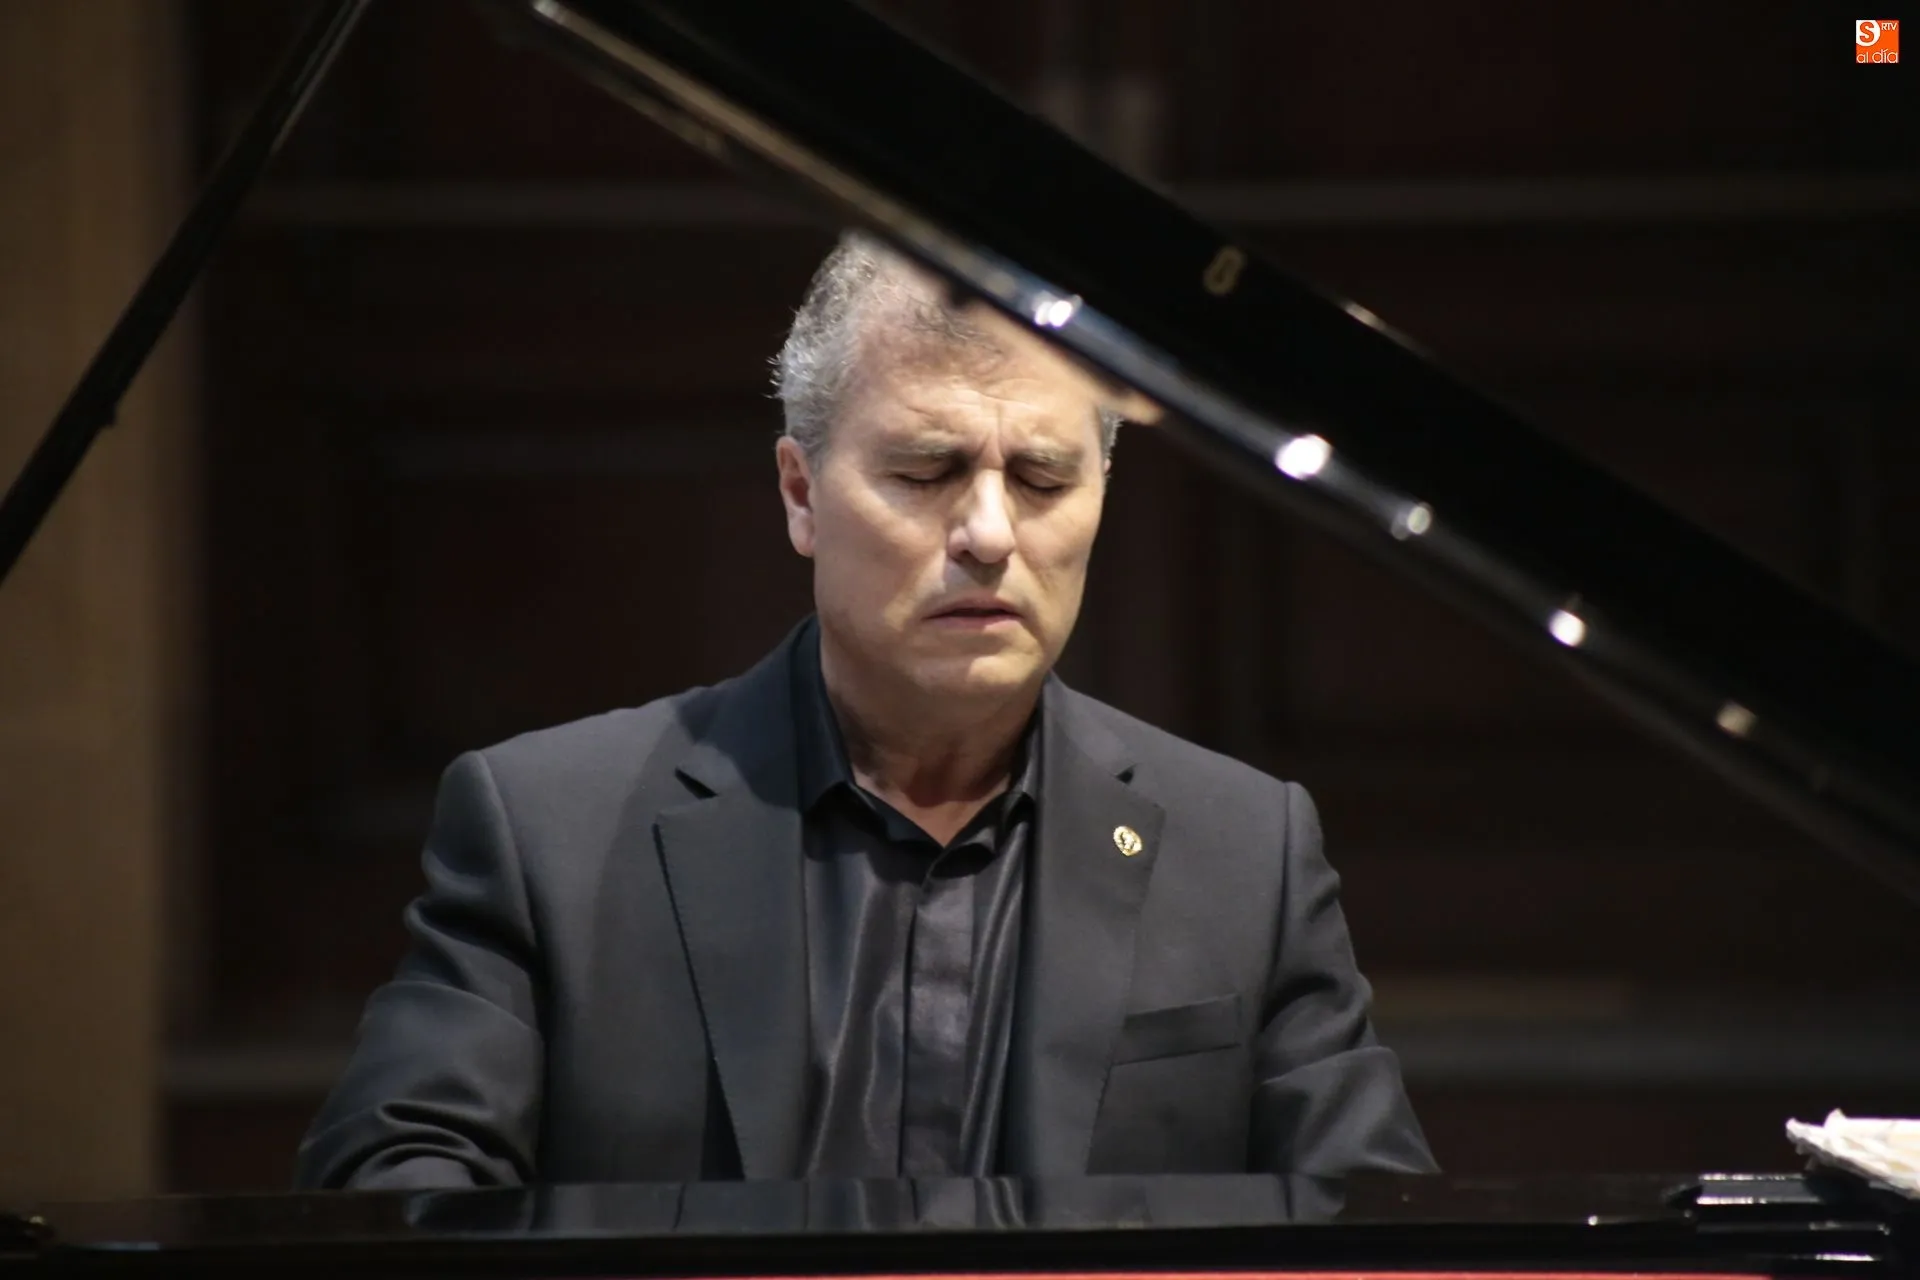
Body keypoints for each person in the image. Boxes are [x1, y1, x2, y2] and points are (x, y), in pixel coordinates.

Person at [295, 233, 1435, 1189]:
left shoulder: (1247, 849)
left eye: (1041, 478)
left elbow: (1384, 1232)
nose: (990, 532)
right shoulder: (546, 828)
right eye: (928, 470)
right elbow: (395, 1190)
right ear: (801, 492)